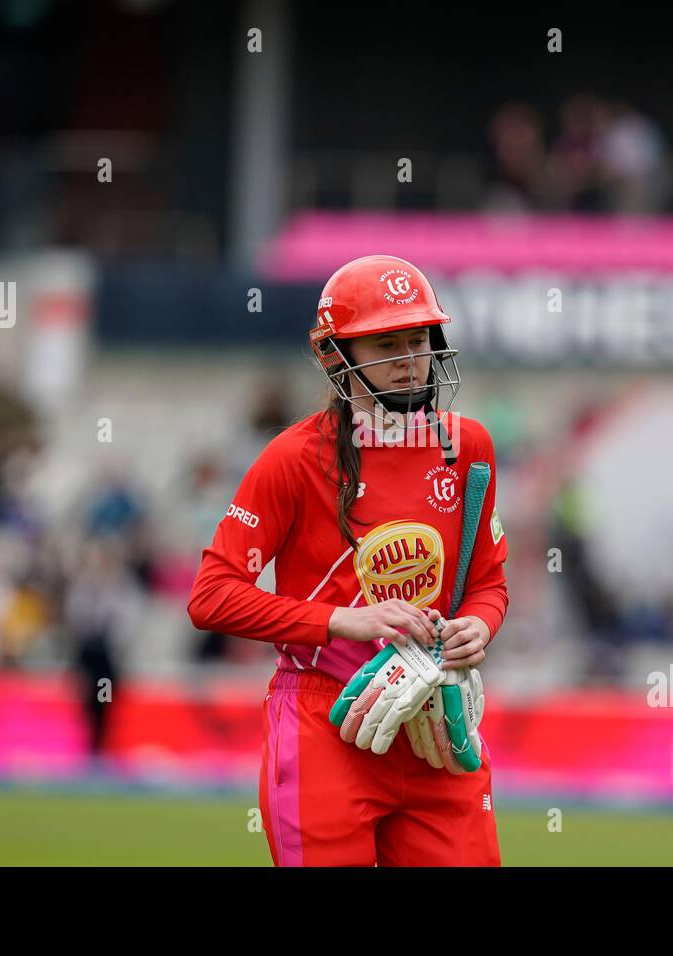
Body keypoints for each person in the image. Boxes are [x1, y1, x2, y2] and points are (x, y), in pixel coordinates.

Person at [187, 255, 509, 866]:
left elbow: (488, 583)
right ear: (337, 357)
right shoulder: (291, 458)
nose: (412, 360)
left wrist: (480, 626)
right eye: (387, 344)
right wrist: (341, 620)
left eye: (418, 338)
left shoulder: (469, 446)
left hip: (434, 726)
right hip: (322, 721)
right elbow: (211, 595)